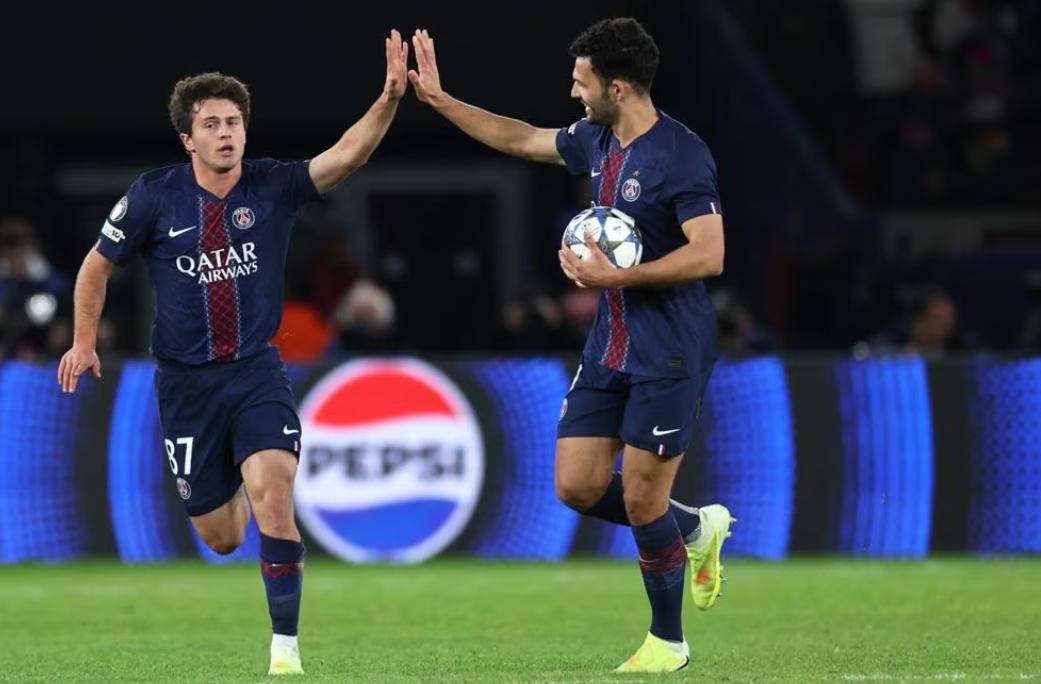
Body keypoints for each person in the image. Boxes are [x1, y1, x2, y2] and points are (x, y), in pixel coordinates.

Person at [57, 30, 409, 676]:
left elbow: (346, 155)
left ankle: (285, 651)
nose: (226, 134)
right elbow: (95, 267)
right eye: (211, 125)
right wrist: (83, 342)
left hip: (255, 371)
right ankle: (238, 479)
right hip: (186, 385)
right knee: (221, 537)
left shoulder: (273, 185)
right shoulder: (153, 196)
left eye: (234, 123)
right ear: (187, 140)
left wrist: (387, 99)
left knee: (275, 493)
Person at [409, 18, 733, 673]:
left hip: (670, 348)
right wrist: (441, 102)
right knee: (577, 485)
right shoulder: (594, 140)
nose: (572, 93)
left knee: (641, 499)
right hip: (609, 344)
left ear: (618, 87)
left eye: (581, 82)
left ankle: (668, 643)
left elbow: (710, 253)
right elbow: (518, 137)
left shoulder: (681, 154)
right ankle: (697, 528)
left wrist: (619, 277)